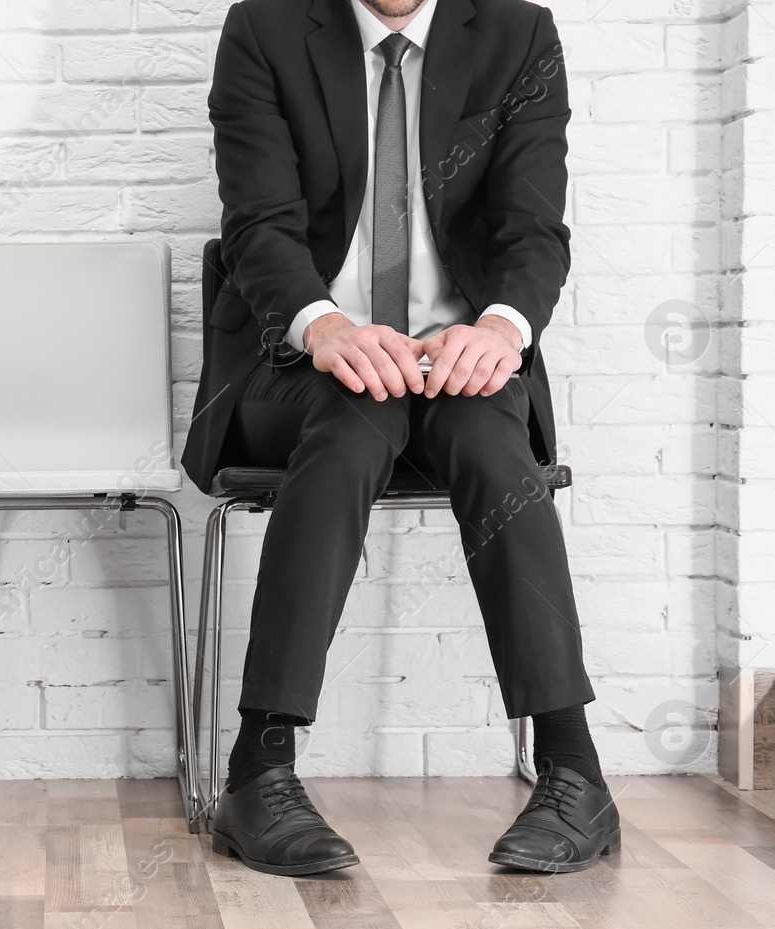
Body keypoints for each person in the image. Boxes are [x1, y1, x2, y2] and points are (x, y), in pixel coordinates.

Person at [182, 0, 619, 877]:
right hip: (302, 358)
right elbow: (258, 226)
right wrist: (324, 326)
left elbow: (533, 227)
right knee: (355, 421)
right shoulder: (266, 30)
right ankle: (259, 772)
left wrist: (498, 330)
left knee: (495, 446)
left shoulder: (517, 33)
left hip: (462, 354)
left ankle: (575, 772)